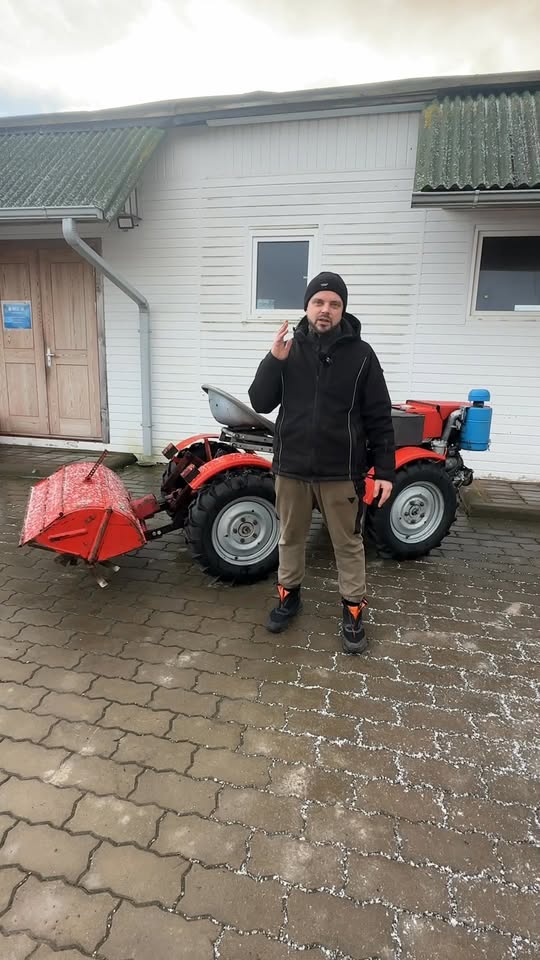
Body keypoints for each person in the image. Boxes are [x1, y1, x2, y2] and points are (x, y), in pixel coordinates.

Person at [249, 271, 395, 654]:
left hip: (340, 473)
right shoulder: (288, 350)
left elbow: (379, 416)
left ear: (343, 309)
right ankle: (289, 598)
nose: (325, 309)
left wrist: (384, 470)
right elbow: (260, 401)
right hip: (291, 469)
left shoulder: (362, 355)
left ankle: (353, 610)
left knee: (348, 544)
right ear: (307, 306)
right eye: (318, 302)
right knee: (290, 537)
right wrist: (273, 360)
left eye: (334, 303)